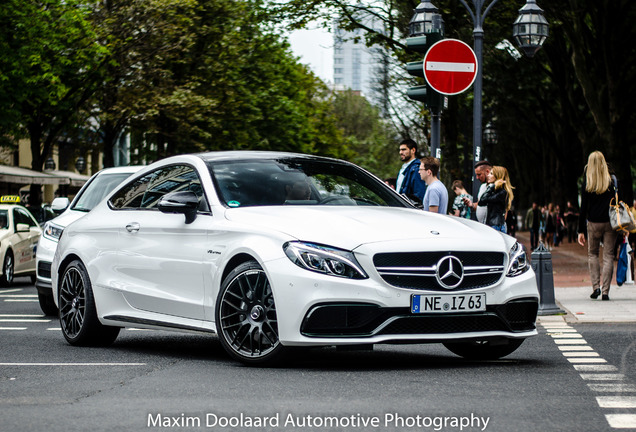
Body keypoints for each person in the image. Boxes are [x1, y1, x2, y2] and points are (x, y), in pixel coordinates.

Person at [577, 151, 618, 301]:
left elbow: (583, 209)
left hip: (593, 223)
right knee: (608, 256)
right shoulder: (611, 181)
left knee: (592, 254)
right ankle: (606, 291)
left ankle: (596, 287)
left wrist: (580, 230)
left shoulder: (588, 182)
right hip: (609, 223)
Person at [471, 165, 514, 233]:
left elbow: (483, 200)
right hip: (492, 225)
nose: (488, 175)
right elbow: (481, 202)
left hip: (496, 226)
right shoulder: (495, 191)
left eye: (491, 174)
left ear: (498, 176)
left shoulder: (502, 192)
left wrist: (491, 187)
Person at [396, 139, 427, 206]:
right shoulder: (404, 168)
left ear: (413, 150)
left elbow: (418, 195)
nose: (400, 152)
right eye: (400, 150)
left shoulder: (416, 169)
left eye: (404, 150)